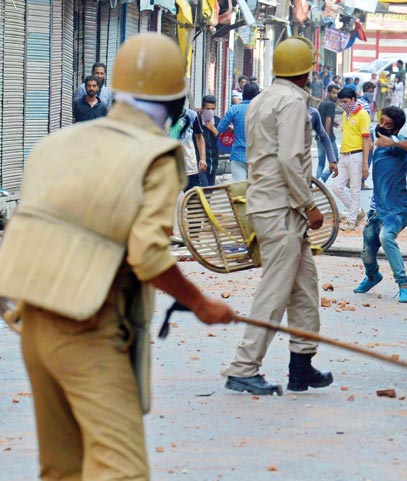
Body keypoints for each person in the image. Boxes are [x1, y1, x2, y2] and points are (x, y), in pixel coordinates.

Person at [0, 33, 235, 480]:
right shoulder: (157, 156)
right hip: (87, 325)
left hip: (32, 322)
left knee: (63, 469)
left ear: (113, 92)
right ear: (175, 102)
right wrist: (201, 302)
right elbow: (147, 255)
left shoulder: (58, 143)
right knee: (122, 470)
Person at [223, 36, 333, 396]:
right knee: (275, 291)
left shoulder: (261, 99)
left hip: (268, 203)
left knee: (304, 288)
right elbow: (289, 160)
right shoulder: (292, 103)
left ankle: (301, 365)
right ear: (306, 73)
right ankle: (243, 367)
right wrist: (309, 205)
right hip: (282, 207)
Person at [354, 107, 407, 303]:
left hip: (398, 210)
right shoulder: (379, 142)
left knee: (386, 237)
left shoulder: (397, 144)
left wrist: (393, 141)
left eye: (388, 125)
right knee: (367, 251)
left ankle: (403, 285)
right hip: (378, 210)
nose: (382, 126)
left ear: (394, 130)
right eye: (382, 121)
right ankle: (373, 276)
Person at [332, 86, 372, 230]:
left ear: (353, 100)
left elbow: (366, 140)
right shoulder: (345, 114)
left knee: (355, 189)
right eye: (341, 102)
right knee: (336, 187)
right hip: (344, 154)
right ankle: (356, 212)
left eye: (345, 101)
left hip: (356, 155)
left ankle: (351, 221)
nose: (343, 104)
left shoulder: (362, 115)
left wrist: (365, 163)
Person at [217, 82, 260, 181]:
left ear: (243, 94)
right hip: (257, 157)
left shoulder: (234, 109)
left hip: (238, 156)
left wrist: (232, 128)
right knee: (255, 190)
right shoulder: (262, 110)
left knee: (239, 190)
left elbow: (220, 128)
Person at [170, 107, 206, 190]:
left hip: (189, 167)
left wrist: (203, 159)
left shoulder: (191, 115)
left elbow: (199, 138)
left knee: (193, 200)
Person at [317, 84, 340, 183]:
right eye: (334, 93)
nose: (336, 96)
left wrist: (333, 123)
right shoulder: (331, 104)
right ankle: (323, 178)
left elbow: (320, 118)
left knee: (321, 162)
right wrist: (326, 136)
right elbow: (328, 119)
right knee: (335, 160)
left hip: (319, 136)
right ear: (328, 92)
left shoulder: (322, 103)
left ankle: (316, 184)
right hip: (327, 137)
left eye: (337, 94)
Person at [196, 95, 221, 186]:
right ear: (202, 108)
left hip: (213, 163)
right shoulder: (196, 121)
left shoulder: (218, 121)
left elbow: (223, 145)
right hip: (199, 163)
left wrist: (214, 129)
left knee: (209, 192)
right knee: (205, 189)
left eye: (213, 109)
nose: (210, 111)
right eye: (208, 109)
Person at [309, 105, 338, 182]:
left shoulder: (312, 113)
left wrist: (332, 160)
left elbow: (324, 136)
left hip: (303, 159)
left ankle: (318, 182)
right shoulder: (283, 109)